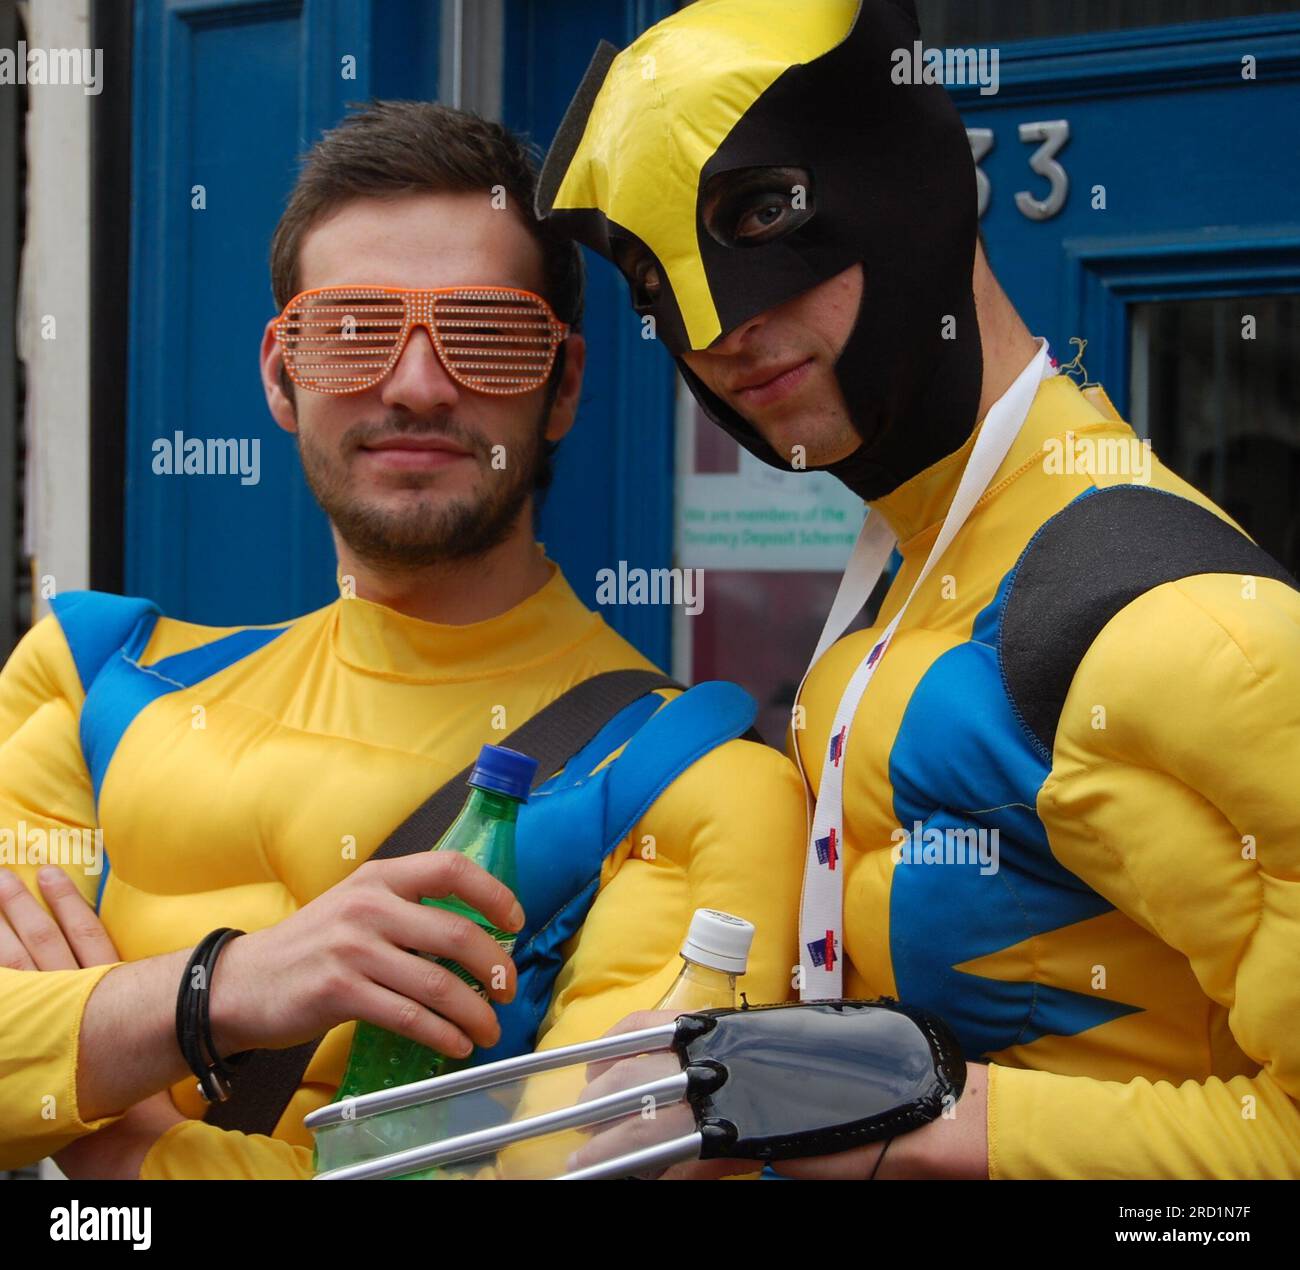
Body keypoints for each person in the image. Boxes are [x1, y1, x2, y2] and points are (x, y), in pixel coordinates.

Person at [536, 0, 1300, 1178]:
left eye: (759, 214)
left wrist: (920, 1127)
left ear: (906, 174)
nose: (713, 328)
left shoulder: (1176, 627)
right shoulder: (916, 572)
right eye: (650, 283)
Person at [0, 100, 806, 1180]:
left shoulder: (700, 788)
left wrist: (102, 1117)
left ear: (562, 383)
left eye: (485, 334)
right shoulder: (90, 681)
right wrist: (220, 989)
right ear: (281, 374)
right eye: (349, 330)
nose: (418, 385)